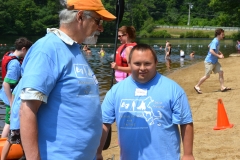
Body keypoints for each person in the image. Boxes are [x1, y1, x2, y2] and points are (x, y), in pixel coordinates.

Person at [17, 0, 116, 159]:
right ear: (80, 17)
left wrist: (96, 153)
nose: (101, 28)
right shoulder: (47, 49)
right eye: (98, 21)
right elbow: (27, 110)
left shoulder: (74, 49)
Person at [97, 44, 194, 160]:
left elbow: (185, 122)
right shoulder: (115, 91)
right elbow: (104, 123)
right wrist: (97, 152)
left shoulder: (173, 89)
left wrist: (188, 154)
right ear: (129, 63)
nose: (142, 68)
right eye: (137, 64)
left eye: (147, 63)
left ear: (156, 62)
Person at [0, 37, 32, 138]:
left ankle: (6, 141)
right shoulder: (15, 64)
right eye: (28, 51)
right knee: (9, 122)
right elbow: (6, 84)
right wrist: (11, 102)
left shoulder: (10, 55)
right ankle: (3, 143)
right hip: (9, 96)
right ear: (23, 49)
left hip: (6, 94)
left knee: (9, 121)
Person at [194, 28, 231, 94]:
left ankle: (222, 87)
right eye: (222, 34)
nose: (223, 35)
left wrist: (219, 52)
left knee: (221, 72)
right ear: (218, 34)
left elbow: (209, 46)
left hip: (215, 61)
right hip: (209, 62)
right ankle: (197, 86)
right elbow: (211, 50)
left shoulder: (216, 41)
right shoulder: (215, 41)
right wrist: (219, 56)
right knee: (207, 76)